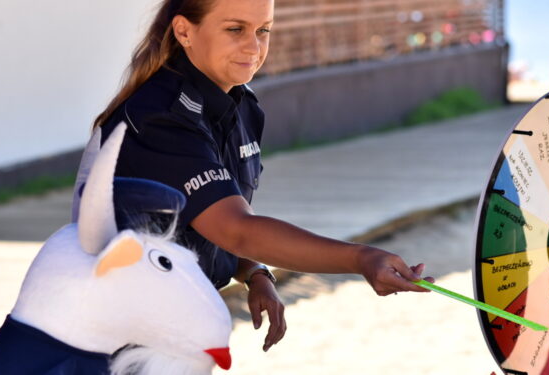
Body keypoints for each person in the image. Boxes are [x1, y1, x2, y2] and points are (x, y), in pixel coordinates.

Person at [92, 0, 434, 353]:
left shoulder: (242, 106)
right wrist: (361, 259)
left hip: (181, 329)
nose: (254, 47)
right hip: (121, 339)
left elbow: (204, 218)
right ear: (184, 31)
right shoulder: (157, 117)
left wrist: (254, 271)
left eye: (263, 30)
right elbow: (236, 229)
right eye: (235, 29)